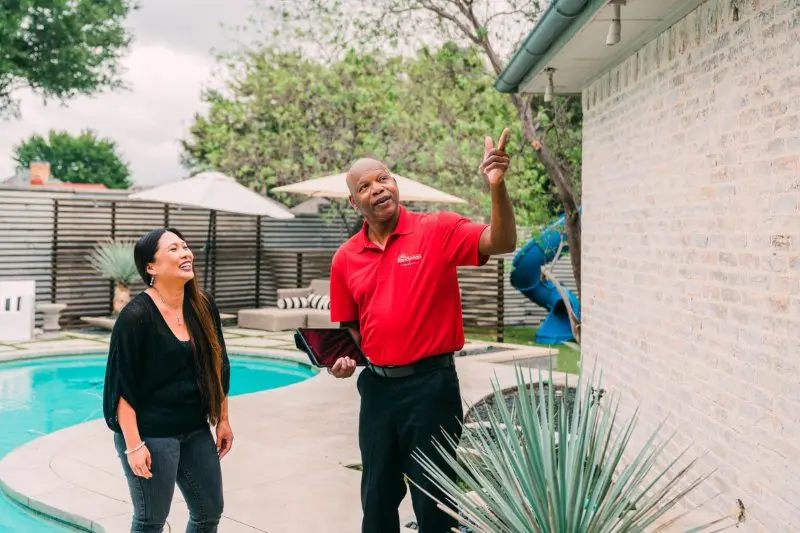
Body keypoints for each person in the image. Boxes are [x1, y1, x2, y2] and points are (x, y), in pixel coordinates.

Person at [328, 129, 516, 532]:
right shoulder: (345, 258)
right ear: (353, 201)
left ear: (395, 183)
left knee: (435, 500)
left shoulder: (437, 229)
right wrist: (344, 360)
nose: (377, 189)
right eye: (365, 186)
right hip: (376, 390)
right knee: (376, 498)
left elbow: (500, 242)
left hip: (431, 388)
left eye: (383, 178)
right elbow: (351, 330)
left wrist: (497, 189)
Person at [102, 227, 234, 533]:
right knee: (151, 521)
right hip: (151, 433)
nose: (185, 254)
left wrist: (223, 419)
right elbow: (123, 387)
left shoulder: (202, 305)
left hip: (195, 429)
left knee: (208, 511)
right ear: (151, 266)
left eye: (185, 247)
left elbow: (219, 365)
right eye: (173, 249)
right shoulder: (136, 317)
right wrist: (134, 446)